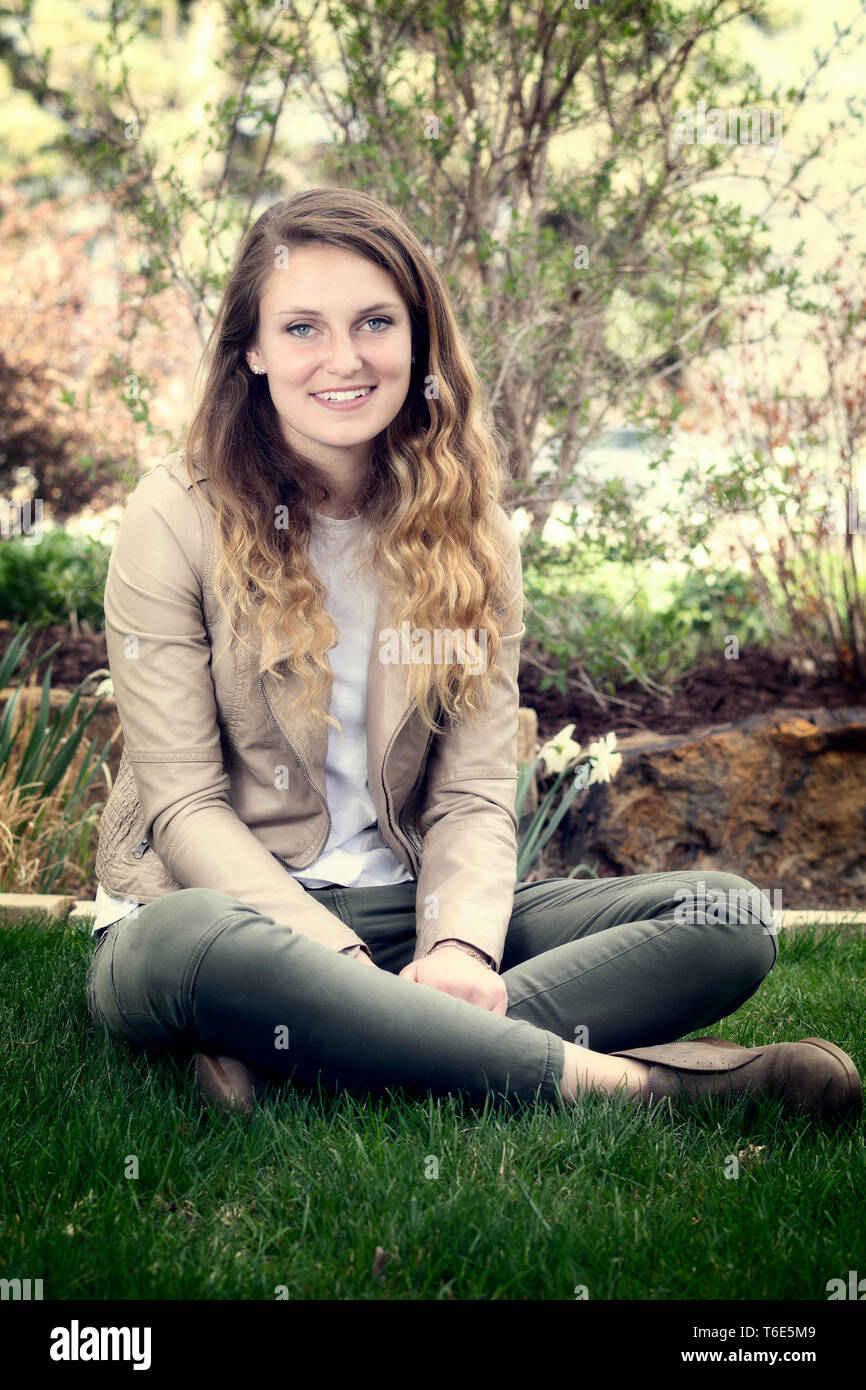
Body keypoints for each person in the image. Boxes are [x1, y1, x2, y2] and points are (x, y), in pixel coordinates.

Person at [86, 187, 861, 1127]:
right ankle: (642, 1088)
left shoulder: (468, 529)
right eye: (301, 328)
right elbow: (184, 804)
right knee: (193, 947)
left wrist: (458, 949)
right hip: (216, 913)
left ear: (418, 339)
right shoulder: (174, 512)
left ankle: (321, 1047)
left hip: (404, 904)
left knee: (729, 918)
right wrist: (327, 961)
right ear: (250, 350)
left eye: (376, 322)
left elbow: (470, 795)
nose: (344, 358)